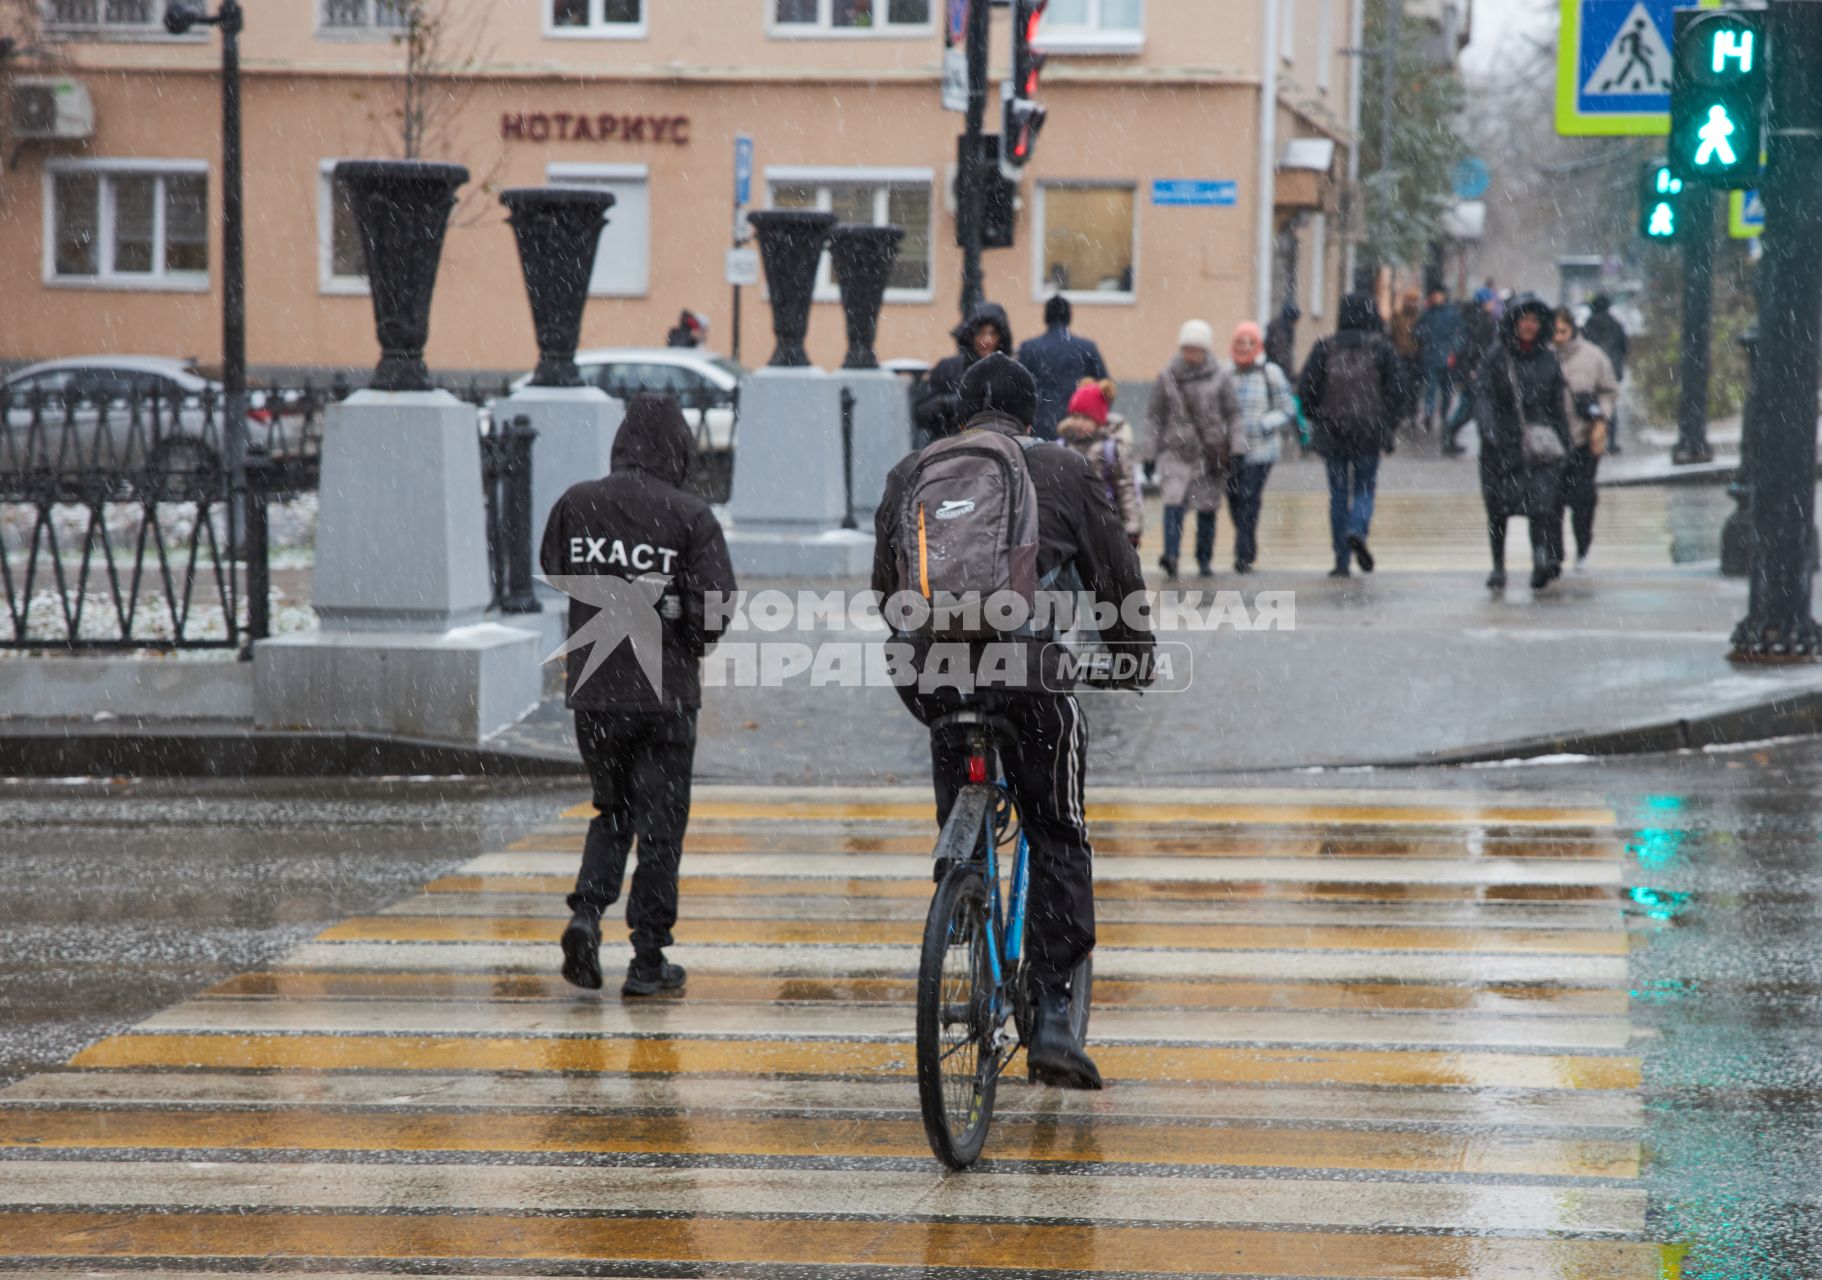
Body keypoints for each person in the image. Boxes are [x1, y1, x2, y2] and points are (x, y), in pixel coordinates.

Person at [871, 353, 1152, 1090]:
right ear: (1030, 414)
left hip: (935, 678)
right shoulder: (1060, 468)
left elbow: (886, 591)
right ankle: (1054, 1014)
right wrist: (1133, 656)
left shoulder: (913, 473)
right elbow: (1115, 575)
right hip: (1028, 678)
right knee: (1057, 829)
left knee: (959, 746)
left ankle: (961, 886)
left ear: (961, 413)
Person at [542, 393, 738, 997]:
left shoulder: (577, 502)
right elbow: (714, 608)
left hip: (595, 693)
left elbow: (553, 567)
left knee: (613, 810)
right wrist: (682, 626)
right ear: (678, 448)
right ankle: (647, 961)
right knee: (660, 830)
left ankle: (587, 914)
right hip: (665, 698)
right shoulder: (690, 515)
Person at [1298, 293, 1400, 578]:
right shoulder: (1382, 349)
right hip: (1369, 433)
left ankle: (1341, 559)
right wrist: (1387, 424)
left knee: (1339, 494)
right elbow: (1398, 392)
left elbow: (1306, 391)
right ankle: (1358, 528)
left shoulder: (1324, 348)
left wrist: (1319, 418)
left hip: (1334, 434)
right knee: (1365, 488)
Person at [1475, 296, 1573, 592]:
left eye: (1534, 320)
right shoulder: (1496, 357)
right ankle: (1498, 566)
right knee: (1497, 509)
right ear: (1514, 322)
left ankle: (1540, 561)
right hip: (1501, 448)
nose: (1529, 325)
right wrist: (1489, 432)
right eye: (1524, 319)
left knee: (1541, 506)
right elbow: (1484, 397)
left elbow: (1557, 403)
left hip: (1539, 447)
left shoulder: (1548, 358)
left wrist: (1564, 441)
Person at [1145, 320, 1247, 581]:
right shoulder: (1167, 377)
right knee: (1173, 503)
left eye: (1196, 349)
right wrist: (1149, 454)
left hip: (1207, 454)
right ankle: (1171, 556)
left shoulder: (1220, 376)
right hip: (1175, 453)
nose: (1190, 354)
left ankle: (1204, 560)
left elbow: (1233, 414)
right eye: (1187, 348)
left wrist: (1237, 448)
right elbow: (1155, 418)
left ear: (1205, 350)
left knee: (1207, 509)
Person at [1224, 321, 1294, 574]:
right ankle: (1246, 540)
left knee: (1249, 498)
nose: (1244, 347)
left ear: (1258, 345)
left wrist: (1266, 423)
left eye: (1249, 342)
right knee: (1234, 498)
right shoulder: (1225, 373)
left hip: (1261, 449)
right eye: (1240, 342)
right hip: (1232, 450)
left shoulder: (1270, 373)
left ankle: (1243, 552)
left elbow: (1287, 408)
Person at [1552, 308, 1619, 569]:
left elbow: (1609, 390)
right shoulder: (1542, 356)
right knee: (1551, 501)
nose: (1558, 338)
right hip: (1551, 443)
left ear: (1572, 330)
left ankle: (1583, 546)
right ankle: (1554, 552)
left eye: (1562, 331)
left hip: (1584, 440)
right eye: (1553, 332)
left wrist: (1601, 418)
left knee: (1582, 499)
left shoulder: (1593, 357)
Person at [912, 302, 1014, 446]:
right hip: (949, 450)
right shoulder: (948, 368)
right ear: (971, 335)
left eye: (992, 333)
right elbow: (920, 413)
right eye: (981, 332)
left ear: (1001, 337)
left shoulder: (1011, 372)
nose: (986, 340)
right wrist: (950, 403)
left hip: (997, 451)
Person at [1057, 378, 1143, 546]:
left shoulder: (1111, 449)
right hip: (1069, 527)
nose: (1079, 423)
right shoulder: (1062, 446)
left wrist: (1132, 526)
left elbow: (1126, 488)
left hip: (1105, 526)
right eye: (1075, 416)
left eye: (1086, 418)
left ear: (1098, 420)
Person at [1018, 295, 1110, 441]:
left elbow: (1019, 388)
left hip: (1038, 425)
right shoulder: (1086, 348)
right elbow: (1105, 388)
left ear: (1046, 316)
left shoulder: (1029, 348)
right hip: (1075, 426)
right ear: (1069, 316)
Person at [1442, 288, 1501, 455]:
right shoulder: (1483, 321)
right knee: (1468, 408)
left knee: (1468, 406)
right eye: (1490, 301)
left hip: (1470, 369)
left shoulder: (1472, 317)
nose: (1493, 304)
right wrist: (1473, 369)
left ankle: (1449, 436)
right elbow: (1476, 348)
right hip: (1473, 370)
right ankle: (1449, 436)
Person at [1581, 295, 1629, 454]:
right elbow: (1624, 348)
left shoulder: (1588, 325)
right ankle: (1612, 441)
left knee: (1593, 404)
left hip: (1592, 371)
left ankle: (1594, 439)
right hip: (1612, 370)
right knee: (1610, 405)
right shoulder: (1616, 325)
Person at [1413, 287, 1465, 435]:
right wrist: (1424, 338)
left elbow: (1461, 335)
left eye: (1439, 295)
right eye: (1434, 294)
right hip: (1431, 358)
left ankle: (1444, 416)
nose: (1436, 297)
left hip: (1448, 359)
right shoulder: (1428, 314)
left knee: (1447, 391)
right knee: (1430, 388)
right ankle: (1429, 414)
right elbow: (1417, 331)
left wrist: (1453, 349)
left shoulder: (1453, 314)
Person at [1388, 288, 1424, 433]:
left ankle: (1412, 413)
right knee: (1402, 385)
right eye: (1409, 300)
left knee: (1415, 387)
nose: (1410, 303)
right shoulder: (1398, 316)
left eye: (1413, 301)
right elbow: (1392, 334)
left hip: (1415, 356)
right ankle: (1403, 413)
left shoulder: (1420, 317)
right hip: (1401, 355)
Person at [1264, 301, 1302, 382]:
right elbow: (1281, 353)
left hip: (1274, 368)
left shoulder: (1280, 326)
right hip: (1276, 372)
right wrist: (1290, 374)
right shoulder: (1281, 330)